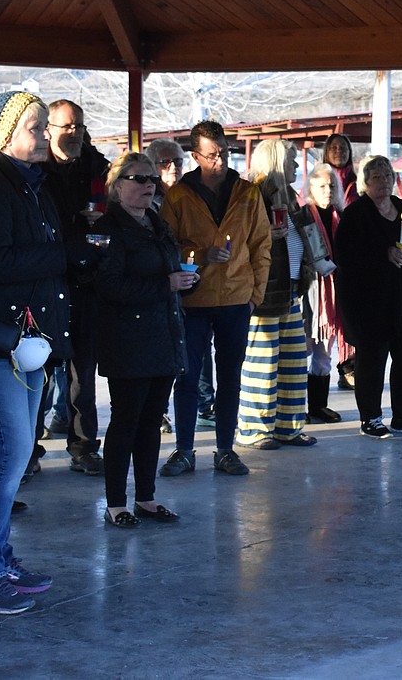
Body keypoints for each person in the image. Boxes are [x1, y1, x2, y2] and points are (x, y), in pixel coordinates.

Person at [0, 92, 71, 614]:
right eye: (34, 126)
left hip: (25, 340)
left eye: (44, 125)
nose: (44, 135)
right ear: (2, 136)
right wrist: (66, 254)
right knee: (8, 454)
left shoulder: (30, 187)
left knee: (17, 453)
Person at [159, 120, 271, 477]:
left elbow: (261, 246)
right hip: (193, 300)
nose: (220, 160)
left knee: (230, 377)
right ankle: (185, 450)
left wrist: (255, 296)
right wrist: (199, 255)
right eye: (211, 155)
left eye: (223, 152)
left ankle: (225, 449)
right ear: (195, 156)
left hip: (237, 299)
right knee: (188, 376)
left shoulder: (247, 192)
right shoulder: (177, 195)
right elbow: (165, 248)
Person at [92, 153, 193, 527]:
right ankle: (116, 502)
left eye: (152, 177)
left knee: (151, 421)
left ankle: (147, 498)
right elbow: (107, 284)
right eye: (138, 177)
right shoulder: (107, 228)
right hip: (128, 339)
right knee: (126, 421)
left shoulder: (156, 222)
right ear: (118, 186)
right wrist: (164, 284)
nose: (148, 184)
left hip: (163, 333)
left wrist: (181, 278)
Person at [333, 155, 402, 438]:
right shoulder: (356, 214)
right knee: (373, 362)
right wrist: (383, 253)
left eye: (388, 176)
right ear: (365, 183)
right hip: (372, 304)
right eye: (377, 177)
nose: (383, 182)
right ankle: (371, 417)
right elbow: (344, 254)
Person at [42, 99, 109, 476]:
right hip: (46, 278)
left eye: (79, 127)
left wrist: (99, 225)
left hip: (85, 277)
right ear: (49, 128)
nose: (74, 134)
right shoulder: (35, 169)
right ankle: (30, 450)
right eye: (67, 127)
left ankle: (84, 446)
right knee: (39, 370)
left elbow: (111, 228)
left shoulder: (96, 166)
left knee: (82, 371)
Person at [236, 139, 317, 450]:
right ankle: (254, 429)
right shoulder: (251, 194)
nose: (297, 167)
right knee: (262, 363)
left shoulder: (292, 197)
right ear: (277, 162)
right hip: (263, 295)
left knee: (295, 362)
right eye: (292, 161)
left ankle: (288, 425)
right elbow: (238, 240)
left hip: (291, 292)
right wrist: (264, 235)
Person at [299, 163, 349, 423]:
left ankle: (318, 406)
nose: (327, 191)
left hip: (334, 291)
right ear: (310, 189)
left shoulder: (340, 216)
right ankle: (296, 407)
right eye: (321, 186)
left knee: (324, 352)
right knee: (302, 349)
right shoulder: (303, 216)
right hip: (310, 293)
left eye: (331, 186)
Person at [321, 133, 358, 387]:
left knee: (351, 314)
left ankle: (349, 367)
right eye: (333, 147)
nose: (338, 151)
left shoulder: (356, 183)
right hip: (326, 256)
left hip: (352, 258)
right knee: (329, 315)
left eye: (342, 147)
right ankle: (320, 370)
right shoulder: (320, 181)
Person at [145, 138, 185, 208]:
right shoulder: (147, 196)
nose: (173, 166)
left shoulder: (191, 191)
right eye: (165, 162)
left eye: (178, 161)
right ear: (153, 166)